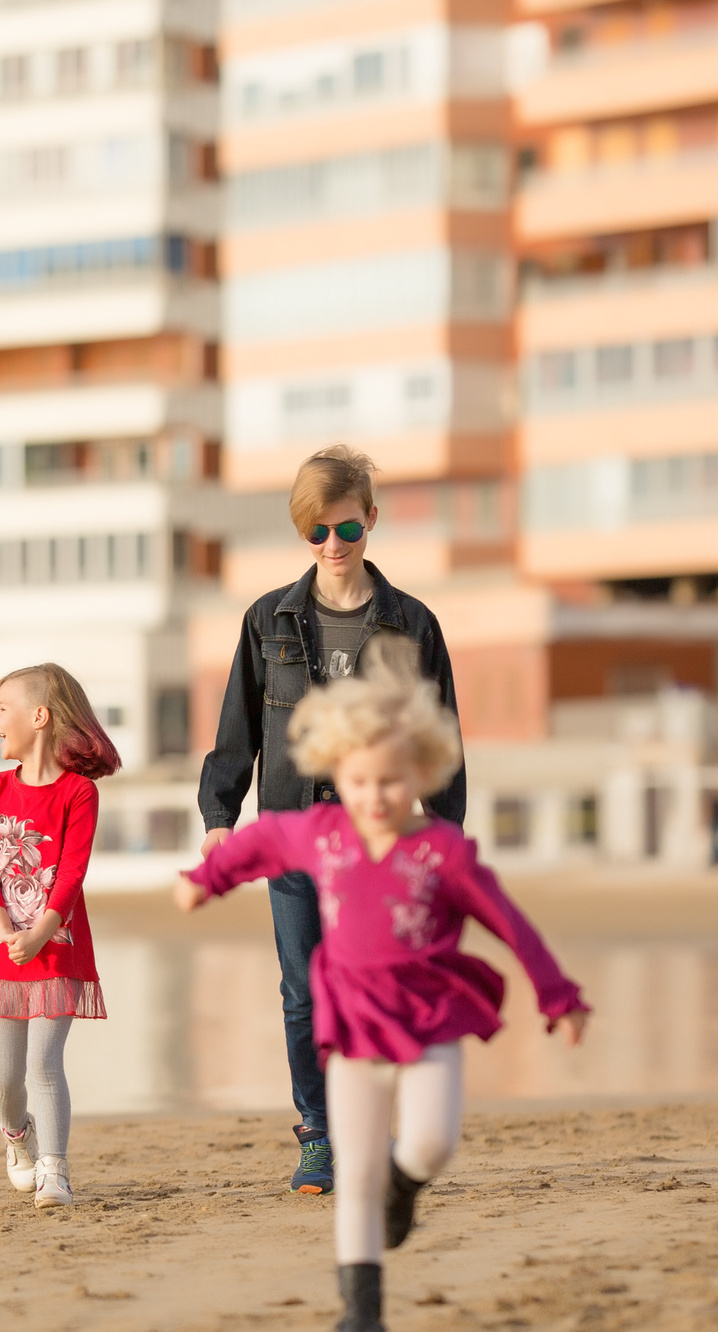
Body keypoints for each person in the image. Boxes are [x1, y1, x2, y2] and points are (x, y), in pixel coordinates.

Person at [175, 638, 588, 1332]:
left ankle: (407, 1181)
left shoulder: (442, 851)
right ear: (338, 771)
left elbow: (510, 924)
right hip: (353, 1023)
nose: (376, 796)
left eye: (393, 782)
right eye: (361, 780)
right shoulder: (324, 834)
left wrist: (558, 996)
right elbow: (260, 840)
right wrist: (204, 880)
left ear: (421, 773)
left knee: (431, 1140)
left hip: (430, 1016)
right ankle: (360, 1310)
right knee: (355, 1168)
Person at [196, 445, 467, 1195]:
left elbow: (439, 740)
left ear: (372, 521)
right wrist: (220, 814)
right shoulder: (267, 622)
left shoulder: (413, 624)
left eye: (347, 530)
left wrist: (448, 837)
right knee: (302, 991)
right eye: (317, 533)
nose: (333, 547)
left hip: (383, 843)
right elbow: (237, 729)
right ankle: (318, 1134)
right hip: (292, 837)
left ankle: (373, 1126)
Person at [0, 664, 120, 1208]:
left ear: (39, 717)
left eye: (2, 709)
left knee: (44, 1064)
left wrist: (43, 930)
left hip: (58, 947)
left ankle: (55, 1170)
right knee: (3, 1082)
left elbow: (71, 873)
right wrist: (4, 929)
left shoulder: (79, 794)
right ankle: (18, 1135)